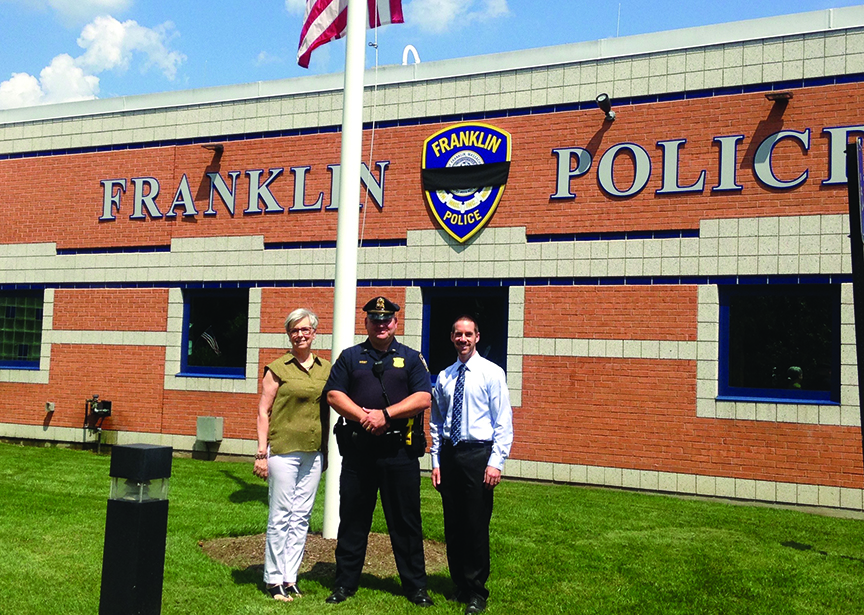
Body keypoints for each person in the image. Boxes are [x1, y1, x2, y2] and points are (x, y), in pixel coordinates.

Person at [323, 296, 434, 607]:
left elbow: (423, 398)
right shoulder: (350, 357)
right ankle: (344, 584)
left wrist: (385, 415)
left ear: (395, 323)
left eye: (386, 320)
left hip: (399, 452)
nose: (381, 324)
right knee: (353, 520)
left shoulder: (411, 358)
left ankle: (416, 588)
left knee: (406, 522)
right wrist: (364, 416)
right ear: (366, 323)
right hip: (360, 451)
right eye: (375, 319)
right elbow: (333, 394)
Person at [430, 315, 514, 615]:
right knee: (453, 525)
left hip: (479, 455)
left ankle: (477, 592)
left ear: (477, 337)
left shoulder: (492, 373)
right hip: (451, 455)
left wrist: (496, 462)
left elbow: (503, 420)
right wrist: (436, 460)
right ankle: (460, 585)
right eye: (457, 334)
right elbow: (437, 421)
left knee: (475, 525)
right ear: (451, 338)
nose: (462, 339)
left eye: (468, 334)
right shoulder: (445, 376)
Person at [253, 308, 331, 602]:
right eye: (294, 330)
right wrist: (262, 452)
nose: (300, 335)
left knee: (301, 517)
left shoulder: (326, 368)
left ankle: (290, 576)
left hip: (313, 451)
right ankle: (273, 579)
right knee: (280, 515)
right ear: (289, 334)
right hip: (283, 449)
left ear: (314, 333)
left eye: (305, 330)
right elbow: (263, 410)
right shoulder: (277, 368)